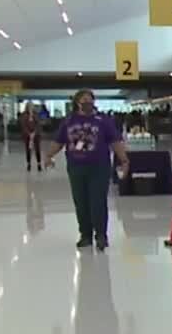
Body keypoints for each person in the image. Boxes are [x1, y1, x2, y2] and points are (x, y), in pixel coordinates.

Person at [44, 89, 129, 251]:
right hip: (76, 167)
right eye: (84, 100)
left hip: (99, 167)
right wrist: (49, 155)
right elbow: (59, 141)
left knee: (98, 201)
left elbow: (115, 141)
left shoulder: (103, 121)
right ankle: (85, 235)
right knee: (81, 202)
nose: (87, 103)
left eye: (90, 100)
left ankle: (101, 235)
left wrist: (124, 159)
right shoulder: (69, 121)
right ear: (77, 103)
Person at [20, 104, 43, 172]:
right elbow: (23, 125)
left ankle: (39, 164)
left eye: (32, 107)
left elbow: (38, 124)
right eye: (29, 107)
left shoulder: (36, 115)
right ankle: (29, 164)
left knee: (37, 149)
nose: (31, 108)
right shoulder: (24, 115)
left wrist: (34, 133)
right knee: (28, 150)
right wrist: (29, 133)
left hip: (36, 135)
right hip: (27, 136)